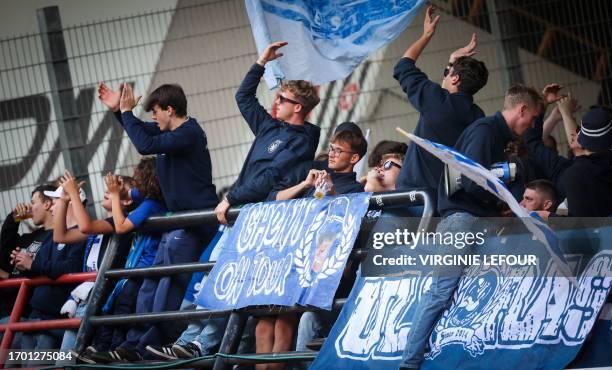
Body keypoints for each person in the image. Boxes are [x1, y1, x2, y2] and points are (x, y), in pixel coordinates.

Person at [399, 84, 544, 370]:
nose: (533, 125)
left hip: (473, 221)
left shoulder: (492, 133)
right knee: (441, 291)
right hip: (463, 222)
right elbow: (470, 181)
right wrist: (501, 202)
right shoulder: (485, 131)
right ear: (522, 109)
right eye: (535, 118)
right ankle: (409, 363)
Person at [93, 81, 218, 362]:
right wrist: (119, 113)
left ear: (169, 109)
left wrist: (126, 112)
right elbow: (141, 132)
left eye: (155, 113)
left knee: (169, 285)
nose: (153, 119)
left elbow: (144, 143)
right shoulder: (168, 134)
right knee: (151, 281)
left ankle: (147, 345)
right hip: (175, 224)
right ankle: (132, 343)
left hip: (193, 223)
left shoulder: (189, 133)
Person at [214, 41, 321, 223]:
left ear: (297, 107)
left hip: (263, 217)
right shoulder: (269, 126)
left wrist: (230, 198)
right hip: (240, 209)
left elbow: (270, 178)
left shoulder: (301, 142)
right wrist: (262, 62)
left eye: (282, 99)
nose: (276, 102)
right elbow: (244, 97)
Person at [394, 5, 488, 208]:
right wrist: (451, 63)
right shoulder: (478, 117)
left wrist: (427, 35)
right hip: (447, 204)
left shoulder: (436, 100)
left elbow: (403, 65)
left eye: (449, 72)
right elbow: (447, 91)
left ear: (454, 78)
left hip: (413, 198)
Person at [275, 123, 367, 200]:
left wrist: (332, 193)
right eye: (331, 148)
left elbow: (347, 213)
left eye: (338, 150)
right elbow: (275, 199)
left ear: (353, 158)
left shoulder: (357, 189)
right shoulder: (318, 180)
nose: (331, 154)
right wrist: (304, 184)